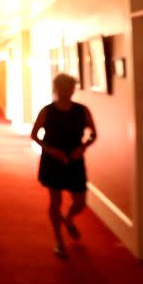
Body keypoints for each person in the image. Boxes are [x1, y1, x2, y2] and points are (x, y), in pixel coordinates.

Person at [30, 73, 97, 257]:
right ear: (56, 89)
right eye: (62, 88)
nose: (66, 92)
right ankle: (59, 240)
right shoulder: (47, 111)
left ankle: (68, 219)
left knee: (80, 202)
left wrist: (83, 148)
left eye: (70, 88)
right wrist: (50, 150)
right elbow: (34, 135)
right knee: (55, 200)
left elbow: (93, 134)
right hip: (53, 160)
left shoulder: (82, 110)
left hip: (75, 160)